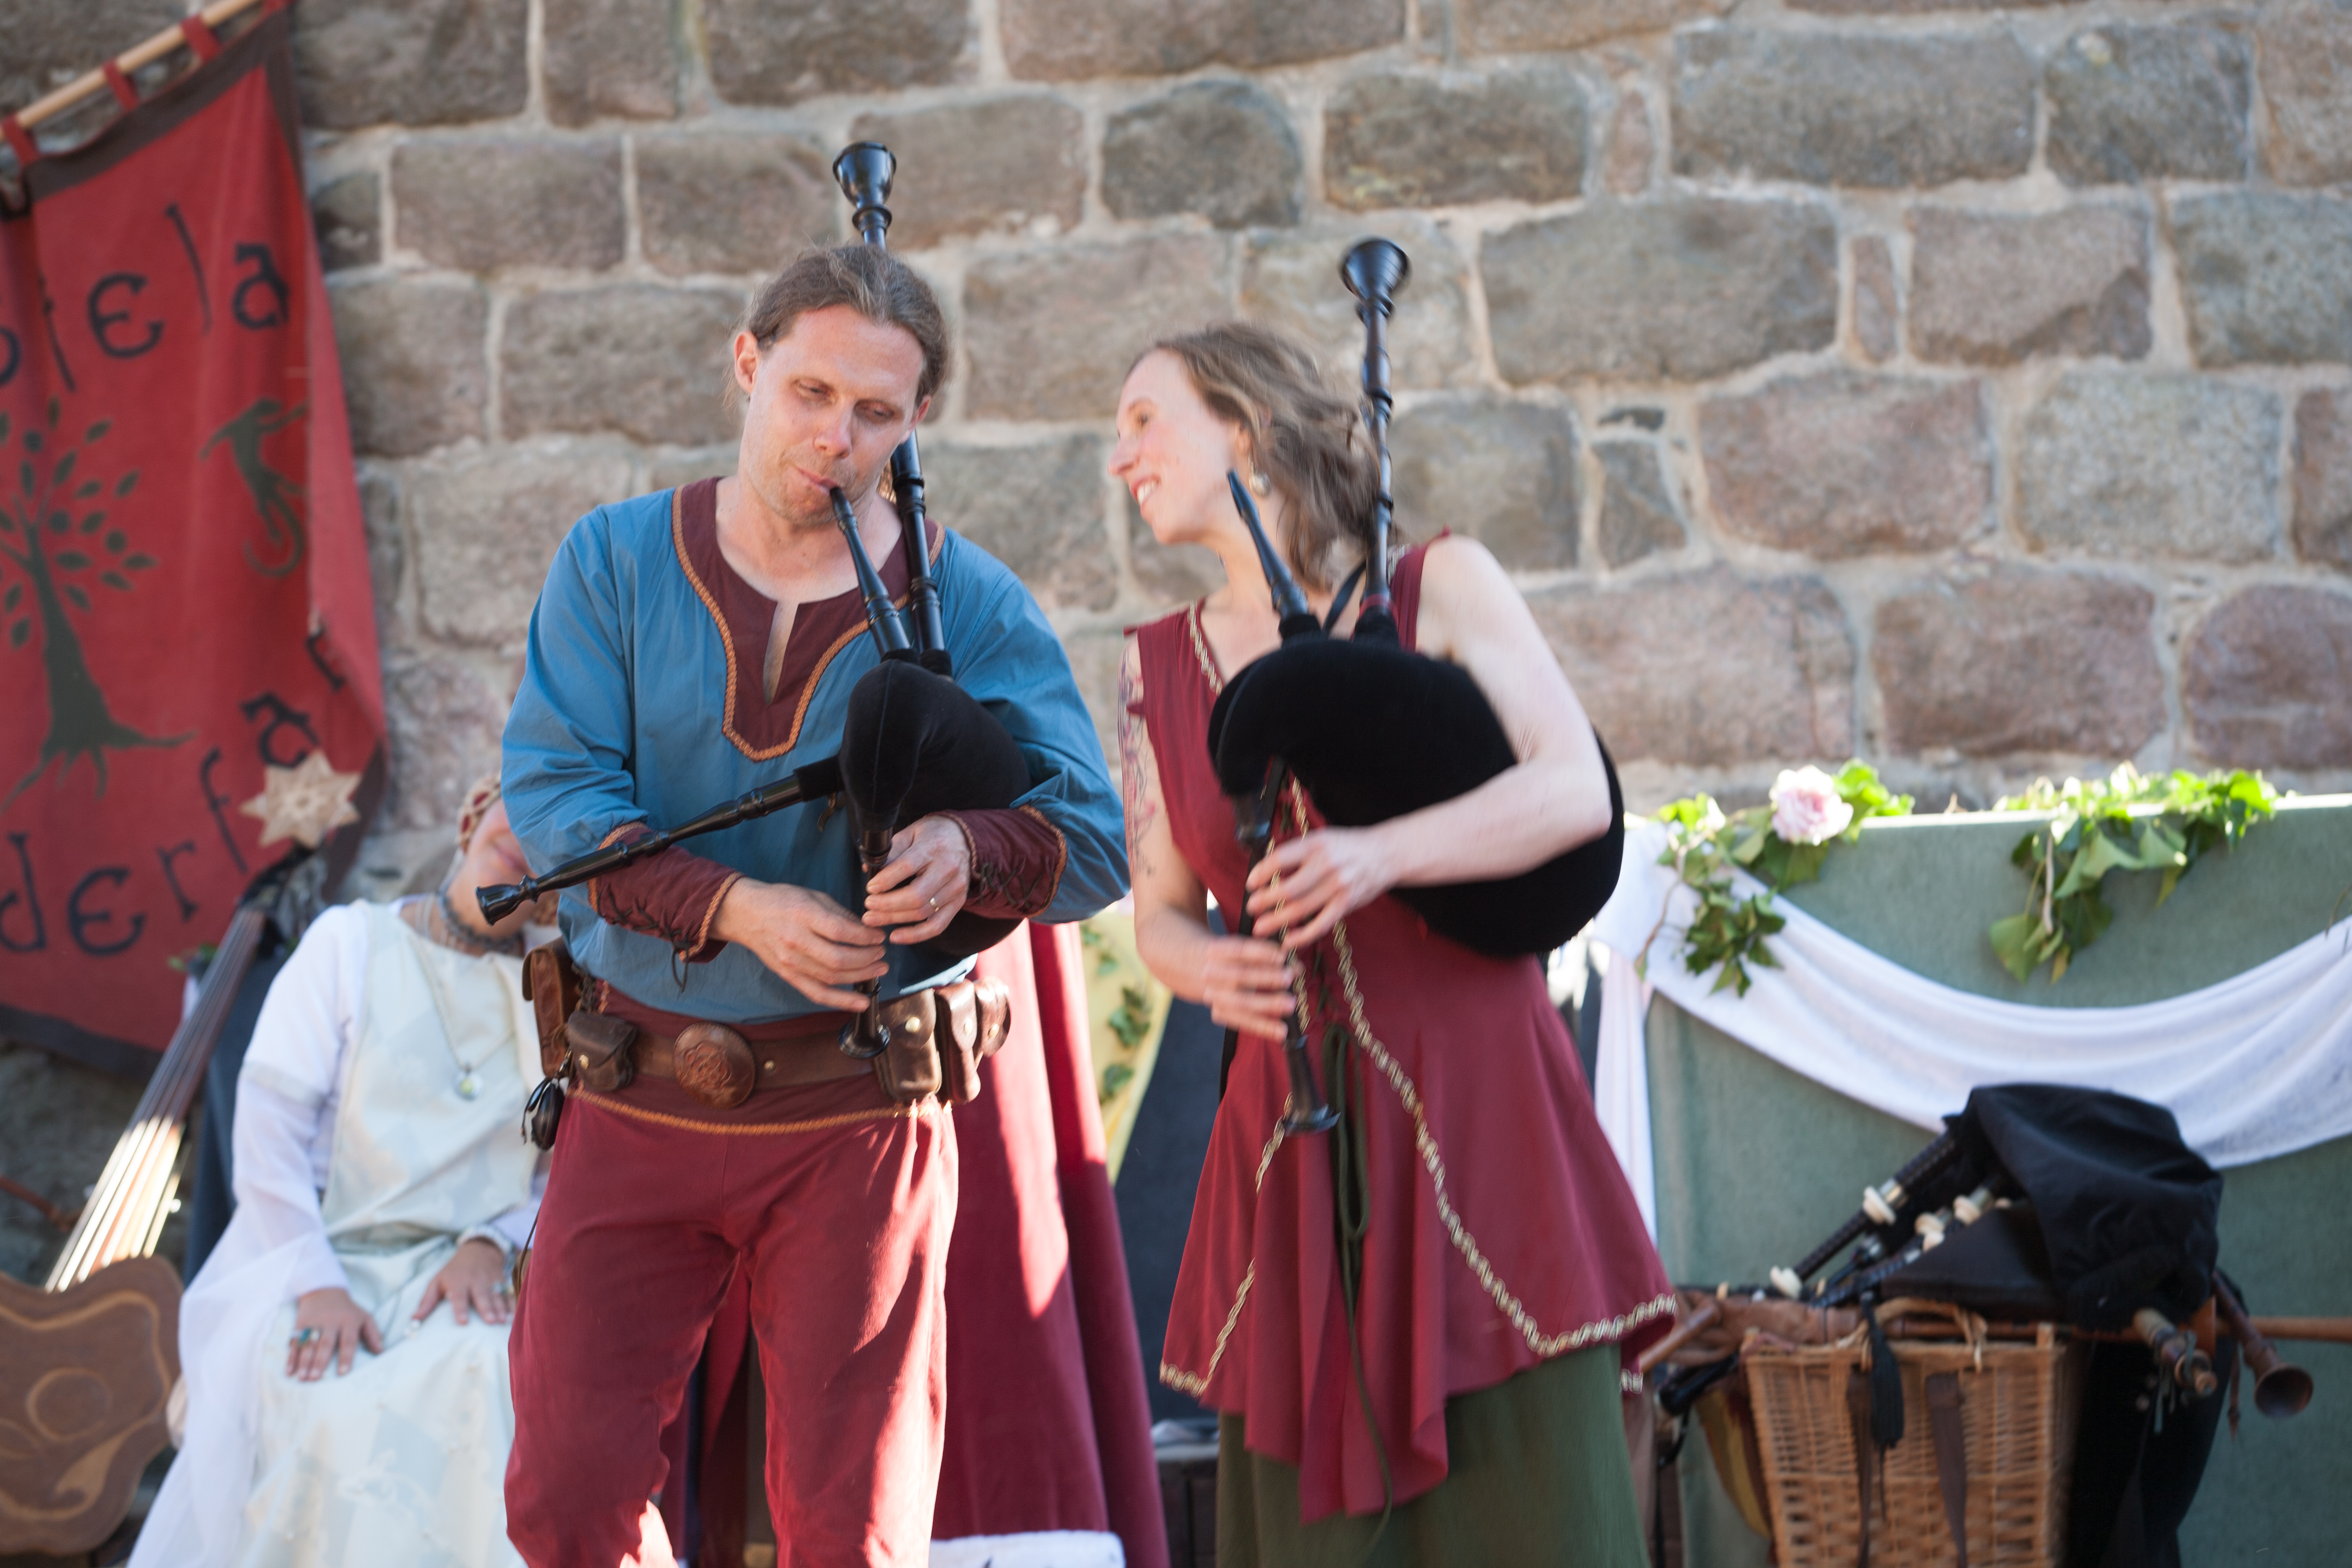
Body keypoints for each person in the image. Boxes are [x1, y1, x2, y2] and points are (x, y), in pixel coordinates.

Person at [499, 243, 1126, 1566]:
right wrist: (735, 908)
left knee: (857, 1529)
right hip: (636, 1089)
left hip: (856, 1112)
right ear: (749, 363)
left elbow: (1092, 844)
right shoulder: (614, 561)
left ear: (917, 421)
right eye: (811, 392)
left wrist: (967, 845)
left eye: (878, 412)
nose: (838, 438)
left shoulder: (963, 597)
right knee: (566, 1497)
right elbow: (556, 797)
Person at [1110, 323, 1673, 1564]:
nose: (1122, 456)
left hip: (1479, 1102)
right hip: (1290, 1133)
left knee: (1528, 1507)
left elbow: (1575, 792)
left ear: (1245, 428)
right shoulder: (1156, 669)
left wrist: (1379, 855)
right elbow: (1161, 914)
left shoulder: (1438, 585)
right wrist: (1206, 968)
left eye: (1145, 420)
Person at [131, 779, 556, 1568]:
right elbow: (268, 1136)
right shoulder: (349, 942)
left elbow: (560, 1171)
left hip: (463, 1275)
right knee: (320, 1399)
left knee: (492, 1373)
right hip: (322, 1256)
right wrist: (317, 1284)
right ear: (473, 813)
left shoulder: (554, 996)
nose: (528, 842)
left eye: (557, 840)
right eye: (519, 809)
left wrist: (491, 1242)